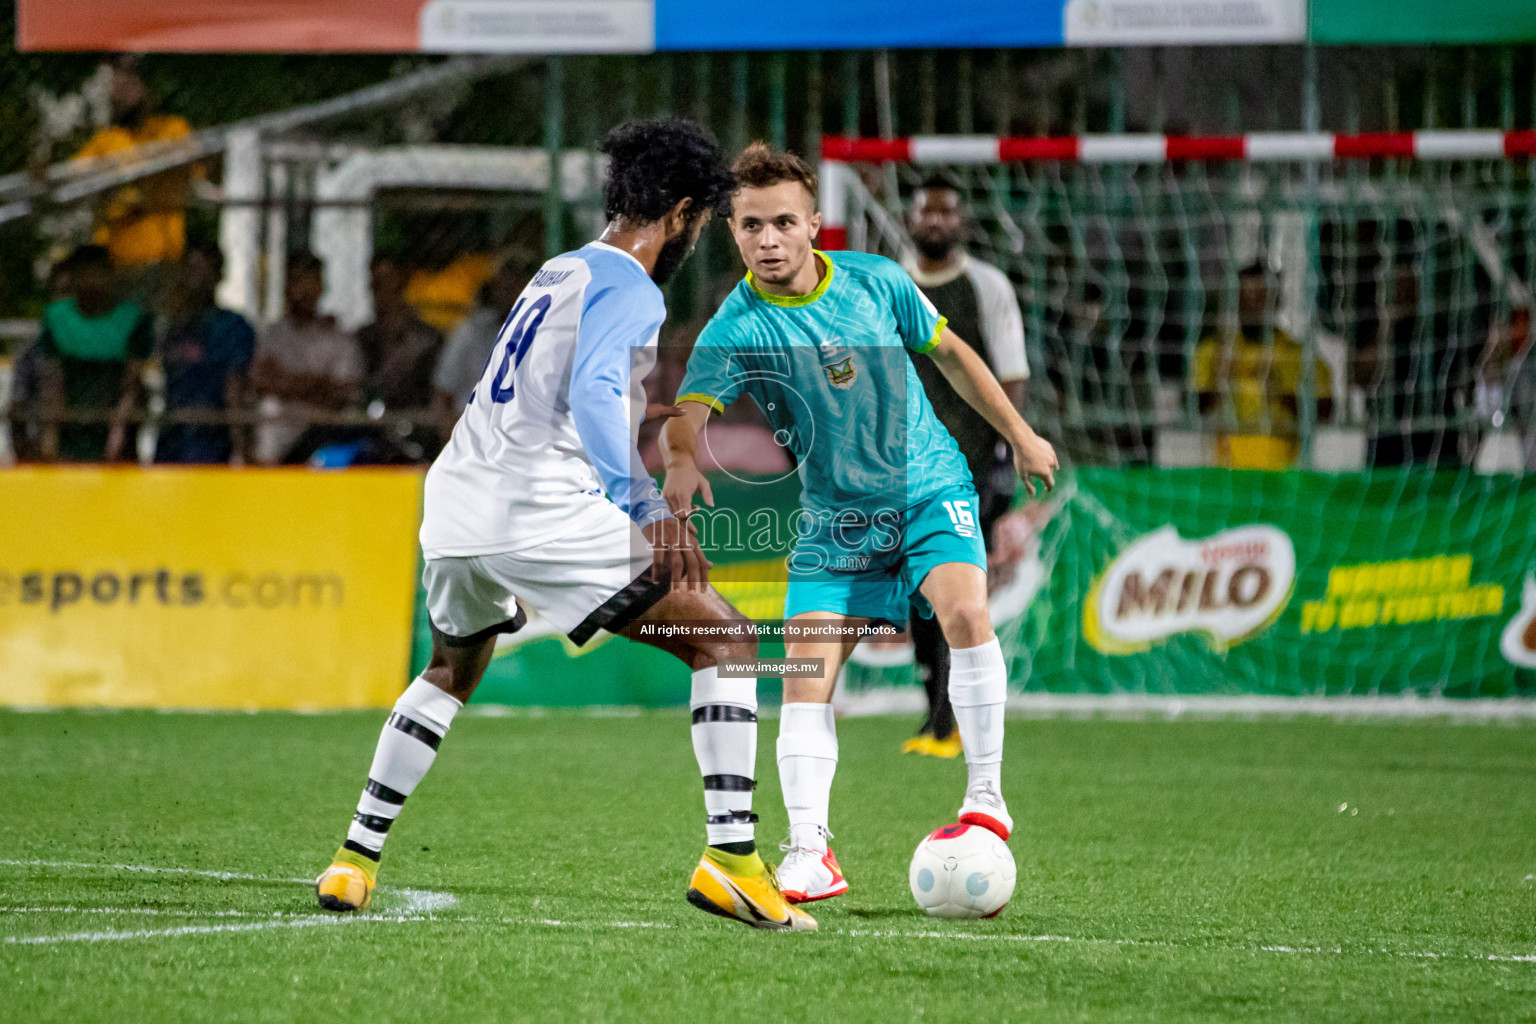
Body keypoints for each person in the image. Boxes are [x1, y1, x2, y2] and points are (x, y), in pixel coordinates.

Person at [313, 118, 815, 933]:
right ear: (684, 212)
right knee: (726, 640)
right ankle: (733, 862)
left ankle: (352, 862)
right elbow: (587, 395)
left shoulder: (559, 269)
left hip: (455, 499)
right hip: (536, 504)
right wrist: (646, 504)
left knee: (450, 668)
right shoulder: (631, 284)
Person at [661, 143, 1057, 905]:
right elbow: (688, 413)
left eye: (783, 222)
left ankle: (985, 797)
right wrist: (682, 460)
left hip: (927, 483)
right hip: (834, 514)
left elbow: (954, 355)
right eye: (750, 226)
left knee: (966, 610)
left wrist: (1021, 433)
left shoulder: (877, 282)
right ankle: (811, 851)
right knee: (806, 675)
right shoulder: (735, 325)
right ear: (732, 233)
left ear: (814, 223)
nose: (768, 239)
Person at [900, 174, 1031, 758]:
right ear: (909, 218)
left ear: (962, 221)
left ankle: (954, 724)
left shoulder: (987, 286)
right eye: (926, 211)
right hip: (901, 468)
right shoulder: (889, 283)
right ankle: (938, 717)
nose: (935, 221)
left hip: (972, 465)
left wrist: (1010, 449)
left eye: (946, 212)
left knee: (957, 590)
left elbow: (1011, 373)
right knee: (917, 594)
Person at [1194, 262, 1333, 470]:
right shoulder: (1214, 351)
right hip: (1228, 473)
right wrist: (1219, 380)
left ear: (1277, 301)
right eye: (1245, 299)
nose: (1252, 307)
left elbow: (1326, 412)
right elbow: (1193, 409)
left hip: (1283, 474)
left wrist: (1281, 394)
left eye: (1260, 298)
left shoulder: (1298, 354)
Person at [74, 57, 195, 273]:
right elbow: (74, 180)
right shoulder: (106, 141)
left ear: (145, 87)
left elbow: (189, 174)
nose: (121, 94)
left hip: (163, 259)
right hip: (116, 263)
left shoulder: (172, 129)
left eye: (129, 84)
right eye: (116, 87)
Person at [36, 246, 153, 463]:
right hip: (70, 431)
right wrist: (50, 437)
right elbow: (53, 382)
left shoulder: (132, 318)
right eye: (84, 274)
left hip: (115, 427)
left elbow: (132, 383)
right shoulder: (56, 317)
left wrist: (117, 436)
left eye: (97, 274)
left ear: (110, 276)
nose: (91, 282)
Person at [249, 254, 364, 465]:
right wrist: (317, 382)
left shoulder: (339, 339)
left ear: (321, 287)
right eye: (296, 281)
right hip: (279, 437)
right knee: (269, 408)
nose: (302, 291)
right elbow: (261, 382)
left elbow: (341, 392)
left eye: (309, 282)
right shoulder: (273, 335)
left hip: (323, 434)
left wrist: (286, 382)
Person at [155, 244, 256, 465]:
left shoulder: (233, 327)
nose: (195, 276)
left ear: (218, 274)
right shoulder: (172, 326)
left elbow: (235, 388)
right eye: (189, 268)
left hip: (212, 437)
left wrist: (240, 449)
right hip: (173, 435)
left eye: (203, 268)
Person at [429, 258, 532, 439]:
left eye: (514, 285)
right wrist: (450, 442)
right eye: (502, 285)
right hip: (473, 434)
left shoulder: (544, 332)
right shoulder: (469, 332)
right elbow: (442, 392)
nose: (508, 293)